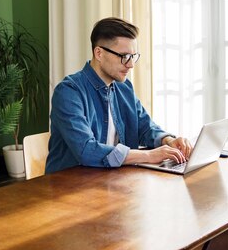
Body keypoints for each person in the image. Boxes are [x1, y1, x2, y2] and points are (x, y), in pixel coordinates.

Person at [46, 17, 192, 173]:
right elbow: (86, 150)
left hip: (110, 181)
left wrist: (168, 140)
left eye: (133, 57)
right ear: (99, 53)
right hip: (69, 187)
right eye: (124, 57)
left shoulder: (124, 88)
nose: (130, 65)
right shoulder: (68, 92)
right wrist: (149, 155)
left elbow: (144, 128)